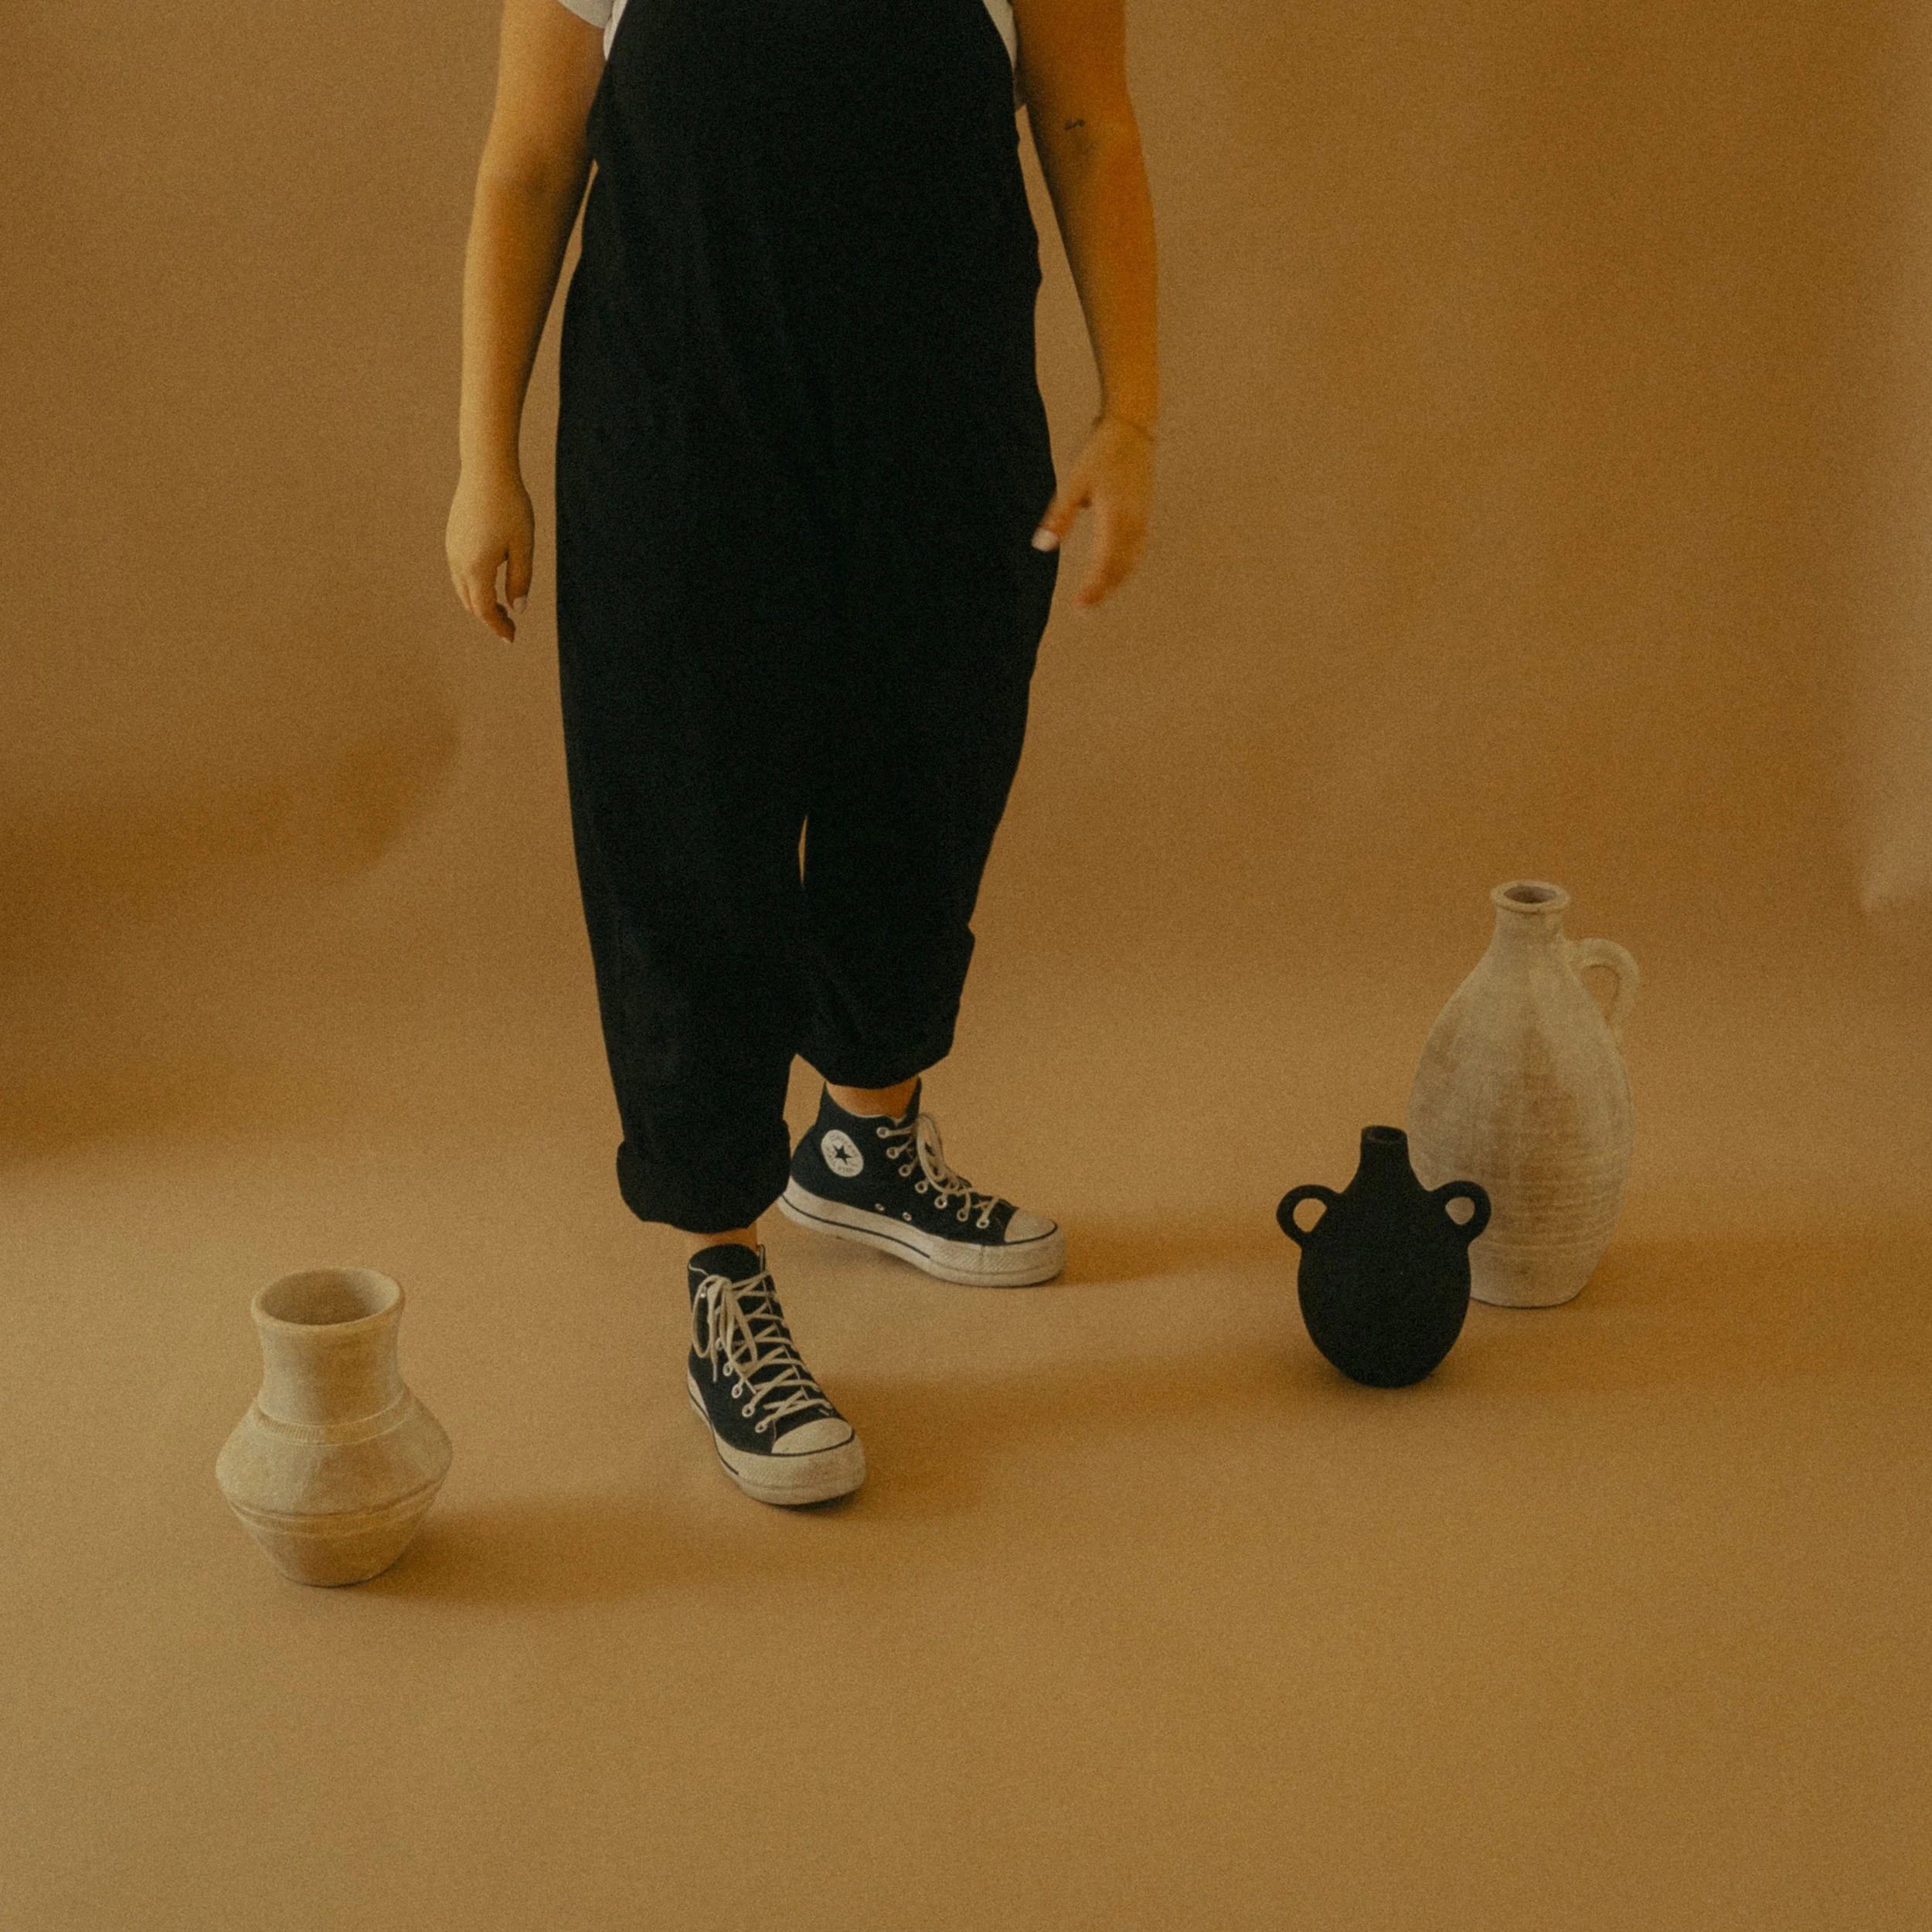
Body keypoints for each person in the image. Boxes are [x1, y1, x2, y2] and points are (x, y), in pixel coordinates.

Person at [445, 0, 1158, 1506]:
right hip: (680, 424)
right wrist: (482, 464)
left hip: (944, 417)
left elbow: (1086, 120)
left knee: (929, 769)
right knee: (689, 824)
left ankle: (864, 1141)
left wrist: (1132, 412)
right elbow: (526, 164)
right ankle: (721, 1253)